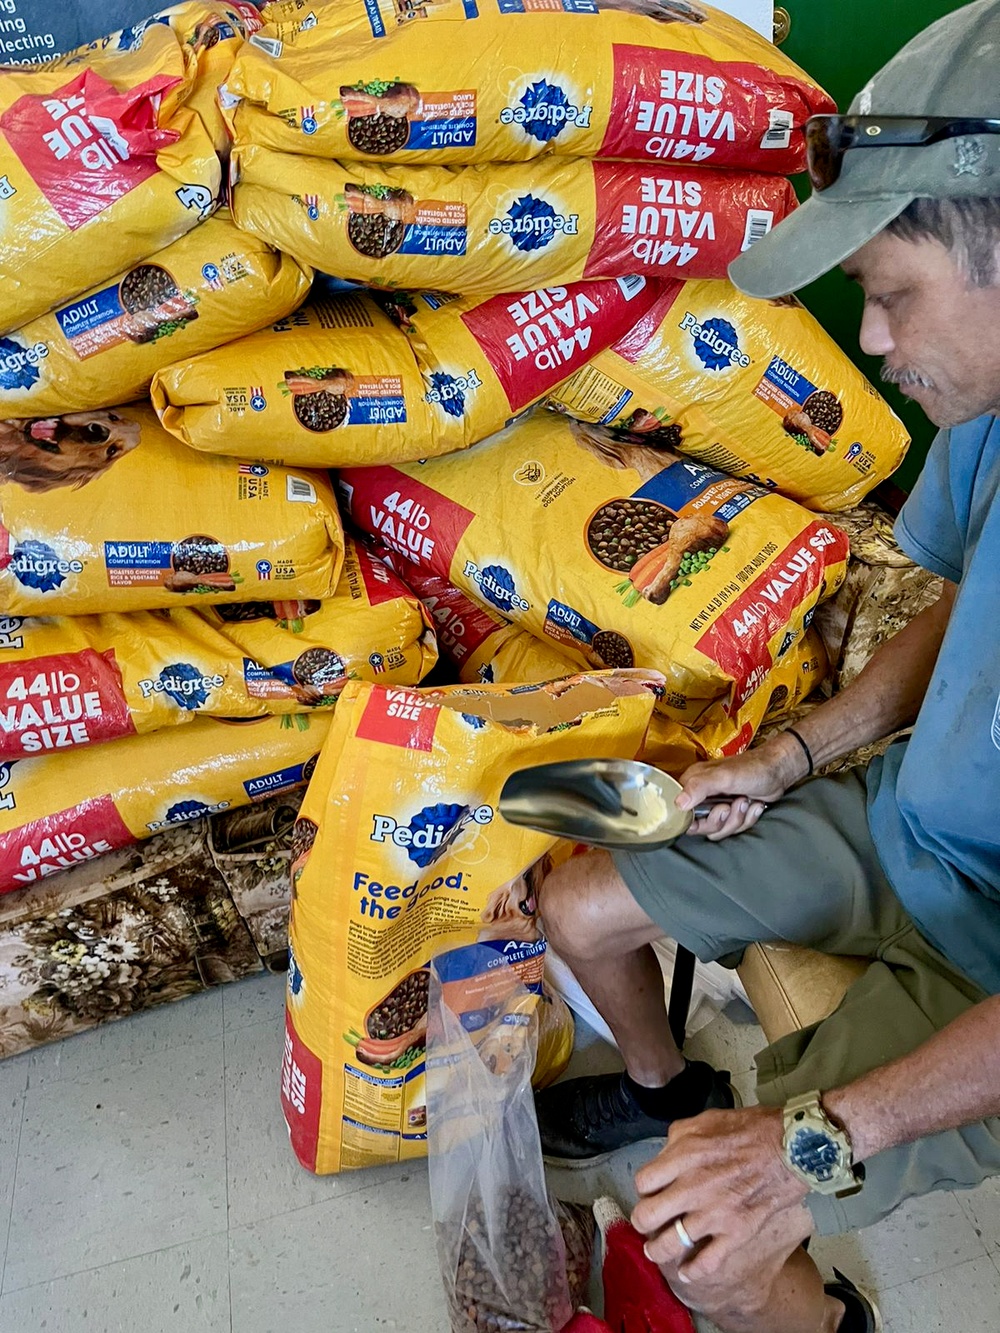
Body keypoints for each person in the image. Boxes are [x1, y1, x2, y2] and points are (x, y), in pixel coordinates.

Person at [534, 4, 1000, 1330]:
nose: (874, 341)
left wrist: (806, 1140)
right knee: (581, 902)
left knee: (701, 1229)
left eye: (892, 292)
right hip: (911, 822)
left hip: (985, 973)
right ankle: (670, 1085)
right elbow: (961, 619)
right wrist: (788, 756)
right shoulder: (991, 415)